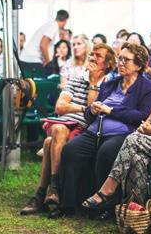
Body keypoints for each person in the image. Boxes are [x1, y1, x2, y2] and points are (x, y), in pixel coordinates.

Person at [55, 43, 151, 218]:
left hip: (123, 133)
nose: (121, 62)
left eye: (126, 60)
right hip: (95, 130)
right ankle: (68, 205)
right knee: (71, 150)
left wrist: (111, 110)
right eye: (120, 58)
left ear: (139, 66)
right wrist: (92, 110)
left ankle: (105, 207)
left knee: (106, 152)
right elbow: (89, 115)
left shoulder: (148, 88)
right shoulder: (110, 84)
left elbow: (141, 116)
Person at [20, 43, 115, 215]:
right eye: (92, 54)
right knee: (58, 129)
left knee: (49, 142)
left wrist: (93, 82)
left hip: (86, 130)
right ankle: (55, 190)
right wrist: (82, 108)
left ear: (108, 64)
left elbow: (92, 112)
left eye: (98, 56)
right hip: (62, 124)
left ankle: (42, 194)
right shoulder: (76, 79)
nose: (92, 58)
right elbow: (60, 107)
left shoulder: (109, 85)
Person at [20, 9, 69, 78]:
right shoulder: (53, 26)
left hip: (28, 59)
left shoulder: (50, 25)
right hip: (31, 60)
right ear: (65, 20)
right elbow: (43, 45)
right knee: (44, 80)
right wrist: (48, 61)